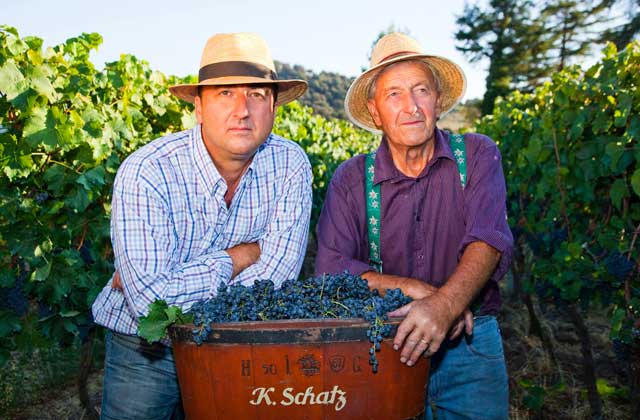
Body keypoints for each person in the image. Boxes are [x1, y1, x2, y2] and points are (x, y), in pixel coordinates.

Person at [92, 32, 312, 420]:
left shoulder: (291, 165)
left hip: (236, 344)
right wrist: (238, 256)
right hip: (144, 347)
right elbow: (150, 308)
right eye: (225, 93)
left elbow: (277, 278)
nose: (242, 109)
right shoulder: (147, 171)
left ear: (274, 107)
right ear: (198, 107)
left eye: (257, 94)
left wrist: (175, 280)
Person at [315, 33, 513, 419]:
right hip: (387, 340)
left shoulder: (477, 154)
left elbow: (488, 239)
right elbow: (329, 268)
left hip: (470, 343)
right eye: (394, 94)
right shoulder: (352, 179)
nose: (411, 107)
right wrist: (419, 292)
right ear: (375, 112)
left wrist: (447, 305)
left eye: (421, 90)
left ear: (437, 100)